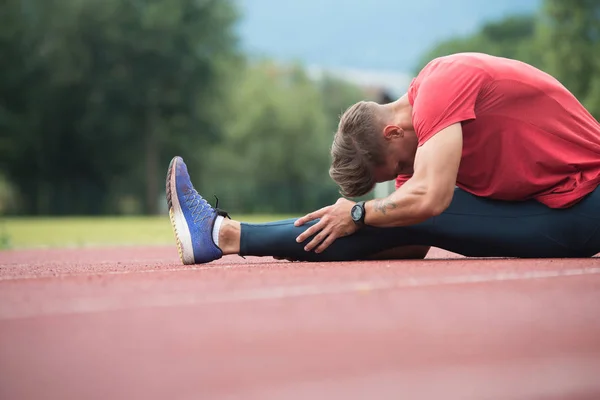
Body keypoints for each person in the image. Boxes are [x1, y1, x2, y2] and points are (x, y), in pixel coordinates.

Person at [166, 52, 600, 265]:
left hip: (585, 206)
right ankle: (222, 236)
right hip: (548, 205)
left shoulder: (443, 89)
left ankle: (223, 237)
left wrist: (359, 212)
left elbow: (429, 203)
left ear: (393, 132)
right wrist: (361, 223)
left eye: (393, 169)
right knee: (388, 218)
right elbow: (410, 241)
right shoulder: (418, 128)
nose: (401, 177)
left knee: (399, 210)